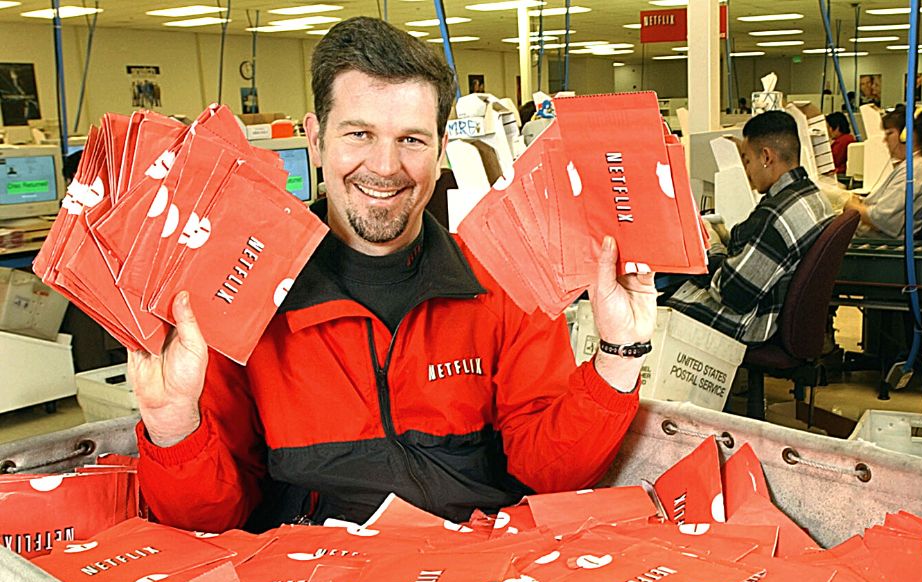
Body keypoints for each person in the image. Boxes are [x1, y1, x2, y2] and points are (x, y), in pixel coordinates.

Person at [129, 17, 657, 533]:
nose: (385, 166)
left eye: (411, 140)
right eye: (359, 134)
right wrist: (172, 421)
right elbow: (212, 522)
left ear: (442, 146)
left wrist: (619, 352)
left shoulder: (503, 282)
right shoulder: (243, 297)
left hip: (477, 580)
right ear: (316, 139)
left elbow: (550, 475)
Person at [665, 111, 835, 344]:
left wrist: (713, 247)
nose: (747, 171)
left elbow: (732, 293)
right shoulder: (811, 196)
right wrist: (727, 236)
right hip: (782, 313)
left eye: (746, 160)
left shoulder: (775, 218)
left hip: (756, 324)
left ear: (766, 157)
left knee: (658, 312)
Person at [844, 108, 922, 238]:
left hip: (883, 247)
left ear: (907, 136)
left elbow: (880, 218)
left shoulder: (917, 170)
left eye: (889, 133)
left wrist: (851, 206)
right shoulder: (919, 166)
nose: (884, 140)